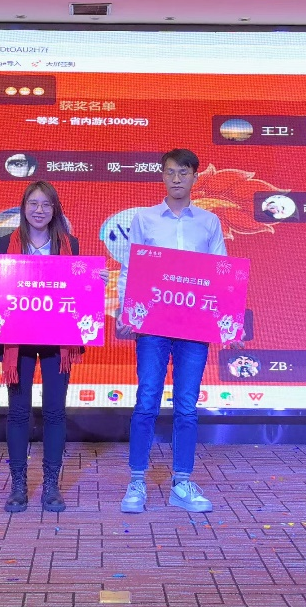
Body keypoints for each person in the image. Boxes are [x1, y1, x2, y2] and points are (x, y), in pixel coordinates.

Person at [118, 147, 227, 514]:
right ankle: (136, 481)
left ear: (195, 176)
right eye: (170, 172)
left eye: (183, 172)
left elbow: (222, 272)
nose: (176, 178)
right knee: (146, 400)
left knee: (186, 406)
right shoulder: (145, 219)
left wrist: (225, 317)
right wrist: (126, 311)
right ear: (162, 176)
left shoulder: (209, 222)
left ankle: (182, 482)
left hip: (194, 326)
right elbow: (132, 266)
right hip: (153, 324)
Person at [0, 181, 83, 514]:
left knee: (55, 412)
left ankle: (51, 486)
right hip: (18, 339)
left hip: (58, 339)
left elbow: (77, 290)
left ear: (54, 209)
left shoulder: (69, 243)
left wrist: (93, 281)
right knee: (18, 412)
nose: (39, 210)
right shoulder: (6, 243)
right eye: (33, 203)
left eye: (46, 204)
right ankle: (18, 485)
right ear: (24, 208)